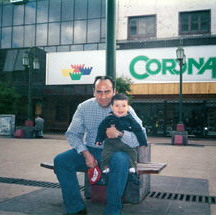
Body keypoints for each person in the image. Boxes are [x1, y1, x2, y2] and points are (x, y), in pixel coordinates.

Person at [53, 76, 146, 215]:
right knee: (61, 161)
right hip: (91, 150)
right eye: (99, 92)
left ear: (114, 91)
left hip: (116, 152)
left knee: (121, 160)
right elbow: (72, 133)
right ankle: (76, 209)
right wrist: (85, 153)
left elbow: (141, 135)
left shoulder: (124, 108)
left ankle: (112, 211)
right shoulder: (84, 107)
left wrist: (120, 134)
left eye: (107, 92)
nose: (103, 97)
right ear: (94, 92)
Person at [95, 93, 147, 184]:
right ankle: (104, 172)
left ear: (128, 107)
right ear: (112, 107)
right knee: (105, 154)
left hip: (125, 143)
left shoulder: (130, 119)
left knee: (132, 152)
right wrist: (99, 140)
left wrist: (142, 142)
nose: (120, 108)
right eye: (117, 106)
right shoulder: (109, 118)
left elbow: (138, 130)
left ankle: (132, 172)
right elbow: (101, 129)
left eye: (123, 106)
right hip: (111, 143)